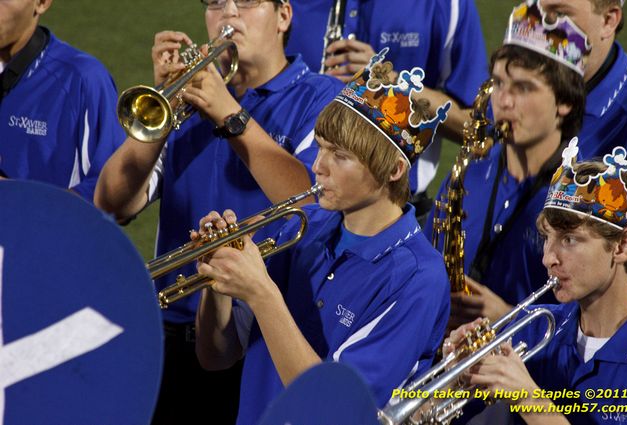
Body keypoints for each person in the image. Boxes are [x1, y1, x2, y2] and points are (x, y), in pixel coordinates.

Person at [94, 0, 343, 423]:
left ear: (284, 15)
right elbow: (112, 202)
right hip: (166, 336)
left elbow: (316, 199)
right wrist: (163, 107)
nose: (228, 14)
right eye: (214, 3)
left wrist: (229, 112)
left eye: (245, 2)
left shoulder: (320, 97)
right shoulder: (191, 98)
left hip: (262, 347)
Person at [195, 52, 452, 425]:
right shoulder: (305, 224)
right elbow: (216, 356)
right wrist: (217, 284)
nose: (317, 166)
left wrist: (261, 293)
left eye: (340, 155)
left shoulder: (419, 280)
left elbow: (331, 410)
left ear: (394, 170)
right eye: (320, 147)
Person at [445, 141, 627, 425]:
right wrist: (454, 379)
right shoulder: (535, 326)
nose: (548, 258)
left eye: (569, 240)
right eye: (547, 237)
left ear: (622, 246)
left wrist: (528, 398)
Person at [425, 0, 589, 330]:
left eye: (524, 88)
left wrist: (507, 317)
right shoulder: (472, 166)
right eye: (499, 83)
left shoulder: (584, 198)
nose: (504, 101)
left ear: (566, 101)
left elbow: (595, 332)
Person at [285, 0, 490, 217]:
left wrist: (391, 80)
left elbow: (480, 129)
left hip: (396, 207)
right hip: (293, 197)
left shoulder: (447, 5)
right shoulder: (271, 9)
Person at [0, 0, 125, 202]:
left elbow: (115, 195)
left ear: (41, 3)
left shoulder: (83, 79)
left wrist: (17, 199)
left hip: (38, 232)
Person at [539, 0, 627, 163]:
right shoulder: (507, 88)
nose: (538, 28)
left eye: (560, 14)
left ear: (608, 20)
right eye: (532, 8)